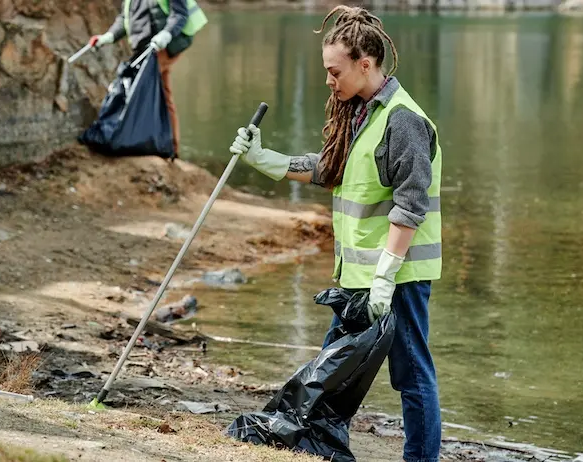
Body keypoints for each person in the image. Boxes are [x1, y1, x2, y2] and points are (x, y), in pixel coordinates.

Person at [228, 6, 443, 462]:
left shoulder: (402, 120)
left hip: (397, 277)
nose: (329, 80)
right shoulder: (360, 113)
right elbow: (330, 167)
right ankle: (317, 447)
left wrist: (386, 276)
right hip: (359, 276)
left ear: (366, 64)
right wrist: (264, 159)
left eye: (334, 71)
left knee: (411, 376)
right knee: (332, 368)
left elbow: (411, 205)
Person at [88, 0, 208, 158]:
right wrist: (108, 37)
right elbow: (125, 18)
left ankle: (153, 143)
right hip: (144, 47)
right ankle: (169, 147)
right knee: (162, 93)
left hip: (165, 45)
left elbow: (179, 14)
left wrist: (166, 34)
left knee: (143, 89)